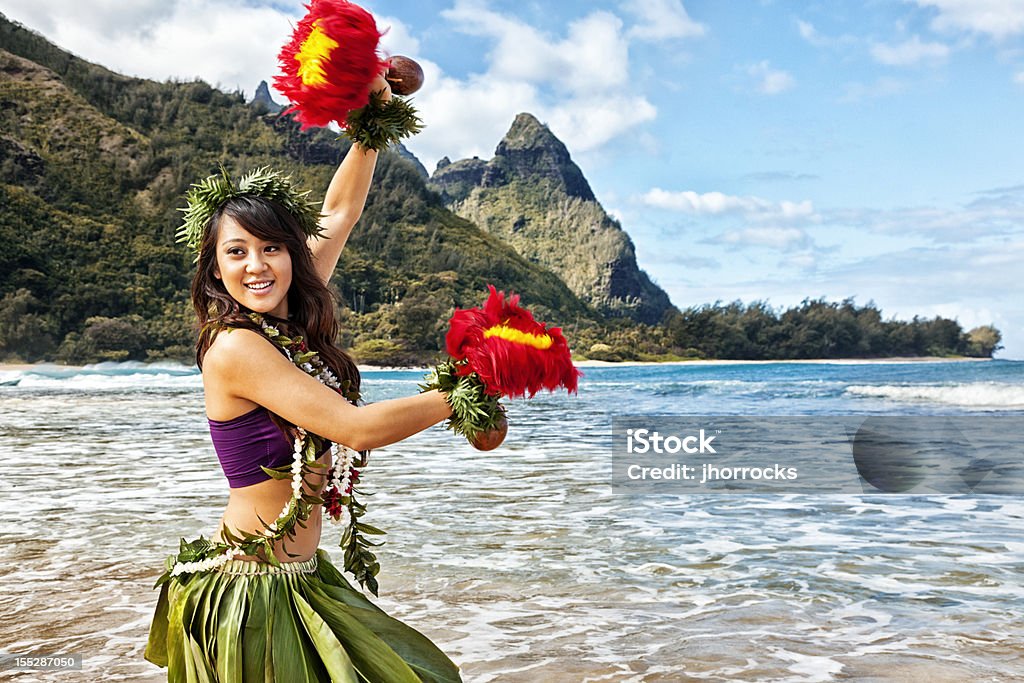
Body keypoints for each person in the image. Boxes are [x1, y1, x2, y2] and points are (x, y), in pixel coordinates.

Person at [144, 73, 463, 682]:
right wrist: (465, 391)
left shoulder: (287, 315)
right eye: (236, 252)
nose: (256, 266)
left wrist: (373, 122)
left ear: (292, 254)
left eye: (271, 248)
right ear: (215, 267)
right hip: (251, 594)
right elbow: (355, 429)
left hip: (301, 579)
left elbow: (339, 211)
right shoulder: (236, 346)